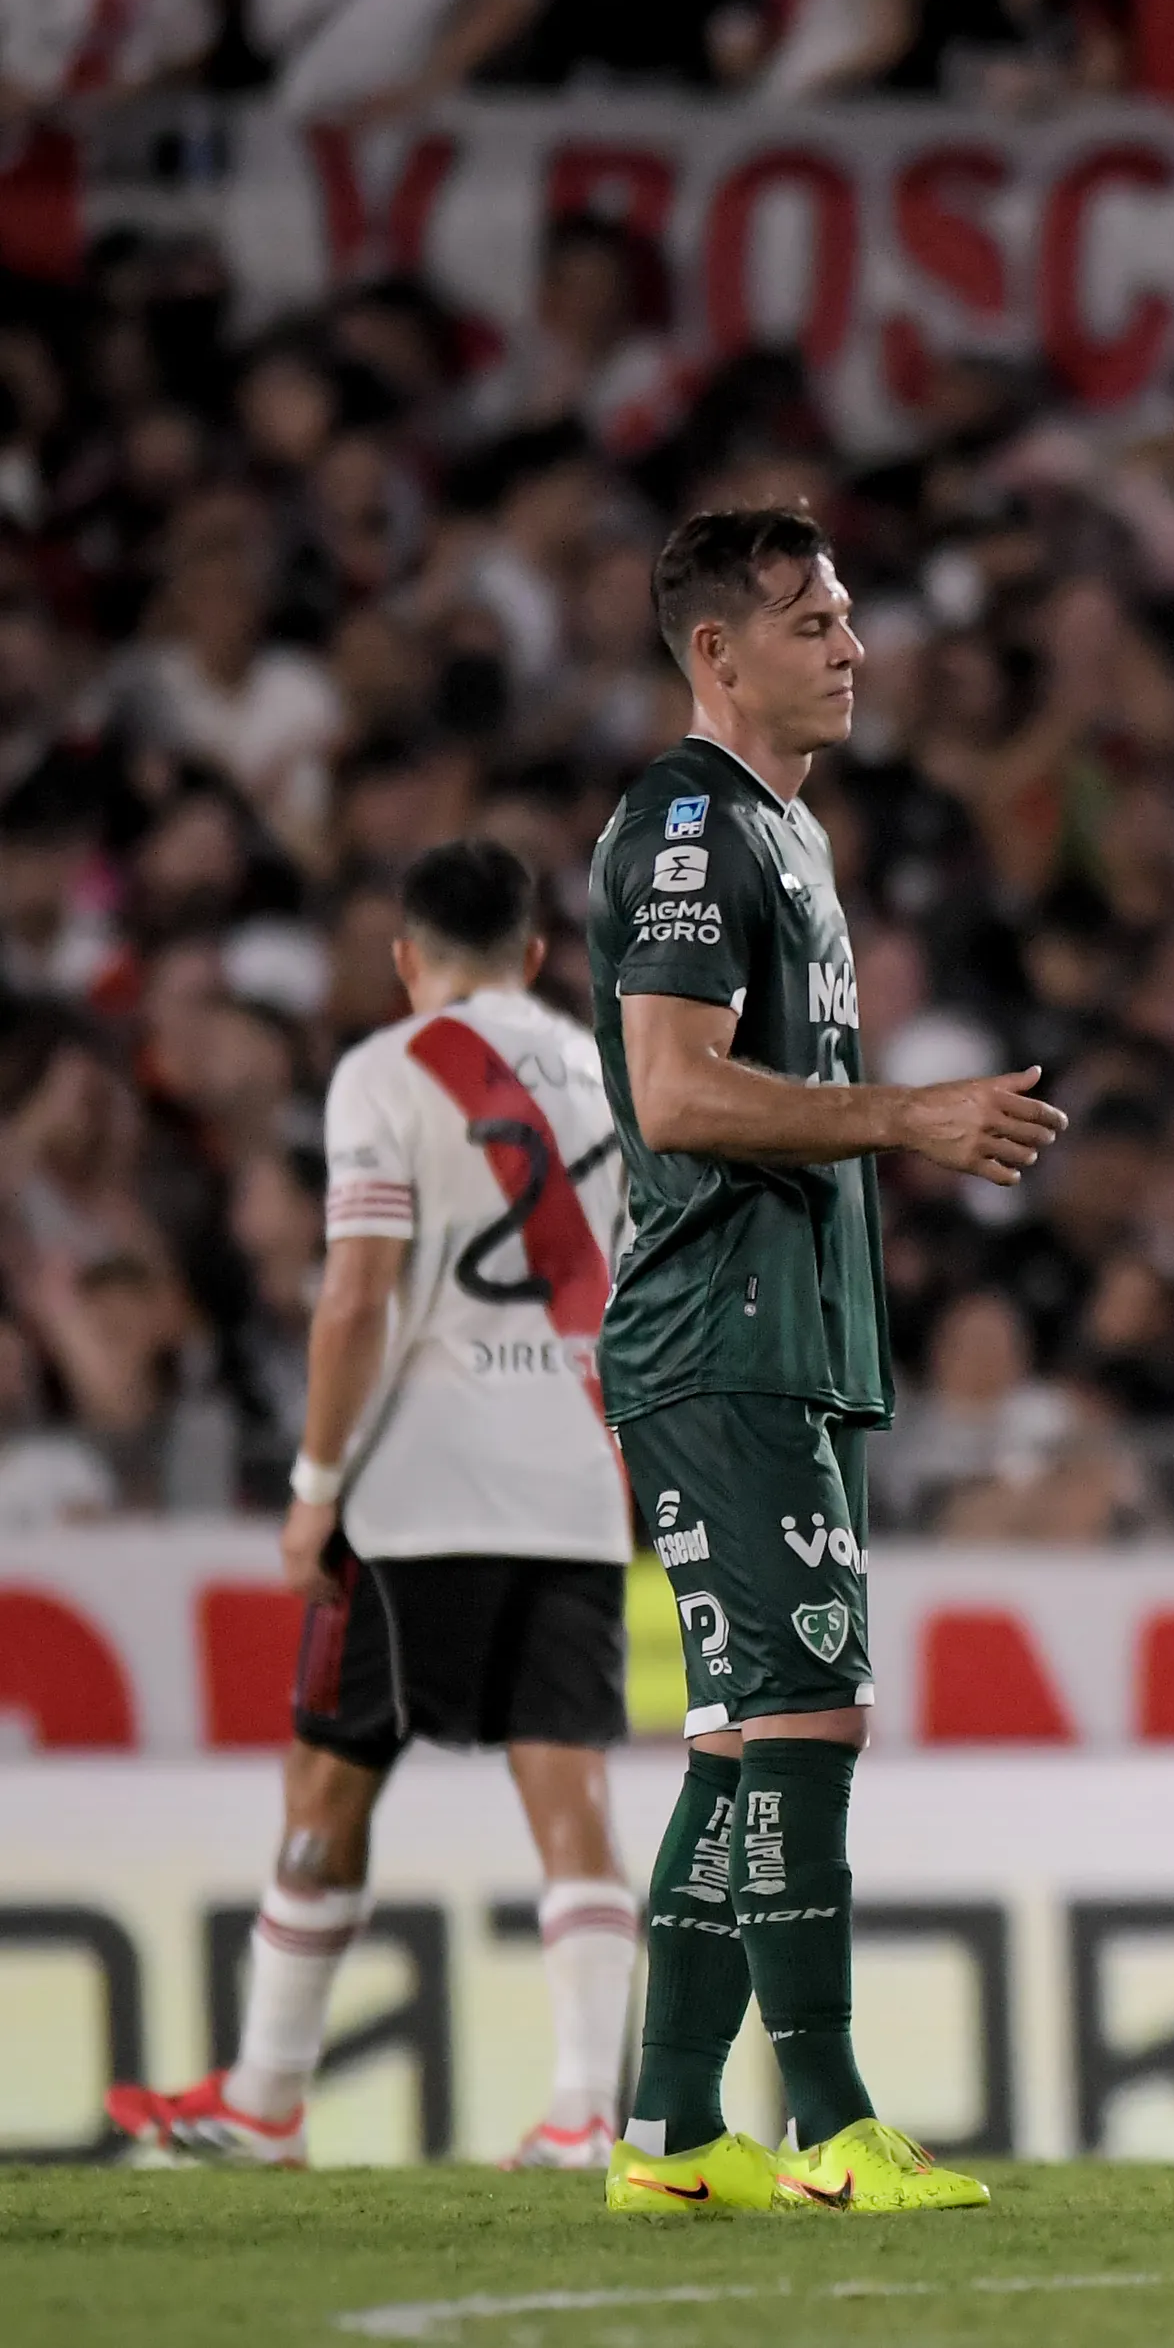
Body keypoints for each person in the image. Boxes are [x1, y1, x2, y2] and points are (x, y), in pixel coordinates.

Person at [593, 505, 1069, 2216]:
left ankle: (664, 2136)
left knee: (743, 1730)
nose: (852, 646)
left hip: (781, 1329)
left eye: (848, 616)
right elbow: (673, 1090)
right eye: (810, 623)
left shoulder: (787, 833)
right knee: (804, 1708)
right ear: (716, 654)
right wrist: (912, 1118)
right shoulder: (689, 823)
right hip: (723, 1331)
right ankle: (831, 2122)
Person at [106, 839, 640, 2172]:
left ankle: (267, 2095)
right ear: (533, 955)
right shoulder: (608, 1076)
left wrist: (312, 1487)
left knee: (327, 1780)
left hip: (414, 1491)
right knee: (566, 1786)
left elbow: (355, 1295)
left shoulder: (384, 1070)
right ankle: (587, 2111)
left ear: (408, 960)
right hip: (574, 1474)